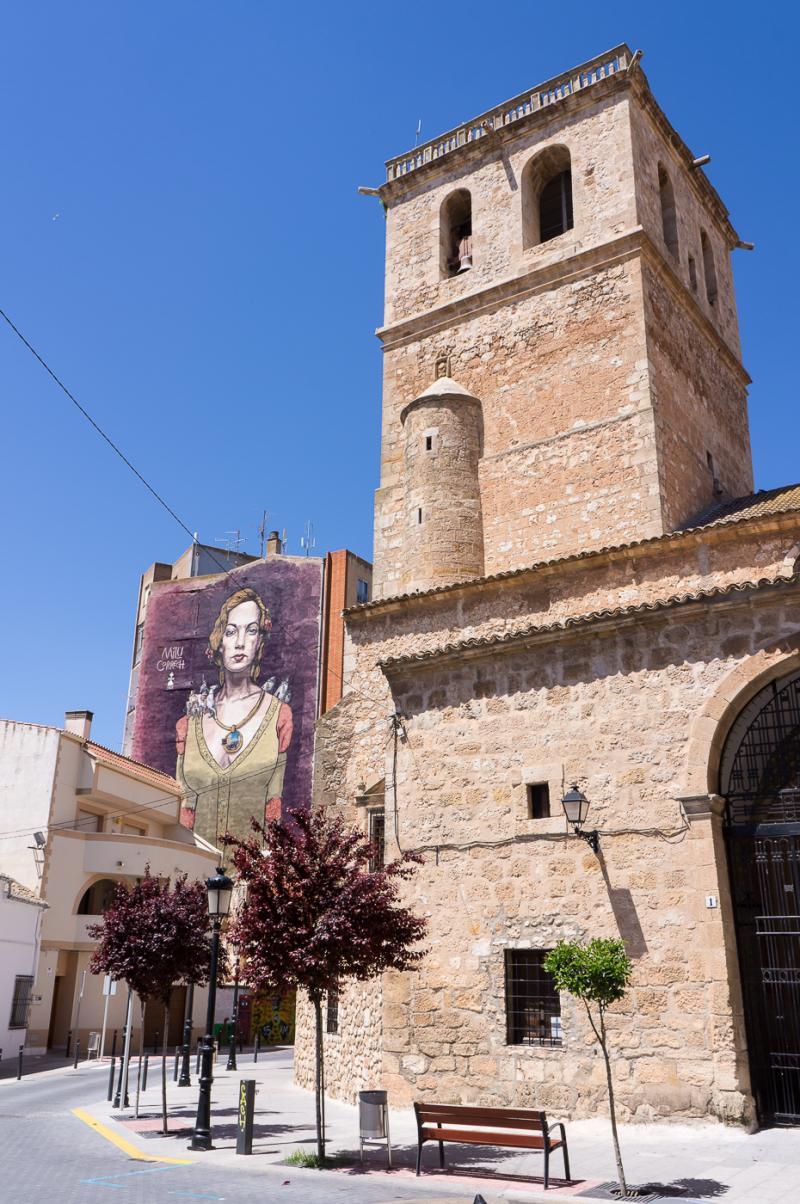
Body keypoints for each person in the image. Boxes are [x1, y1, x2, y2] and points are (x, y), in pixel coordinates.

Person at [176, 587, 292, 846]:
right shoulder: (189, 723)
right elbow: (184, 808)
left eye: (251, 630)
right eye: (231, 631)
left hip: (253, 867)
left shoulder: (279, 715)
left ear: (260, 640)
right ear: (219, 642)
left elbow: (274, 805)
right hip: (193, 866)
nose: (240, 642)